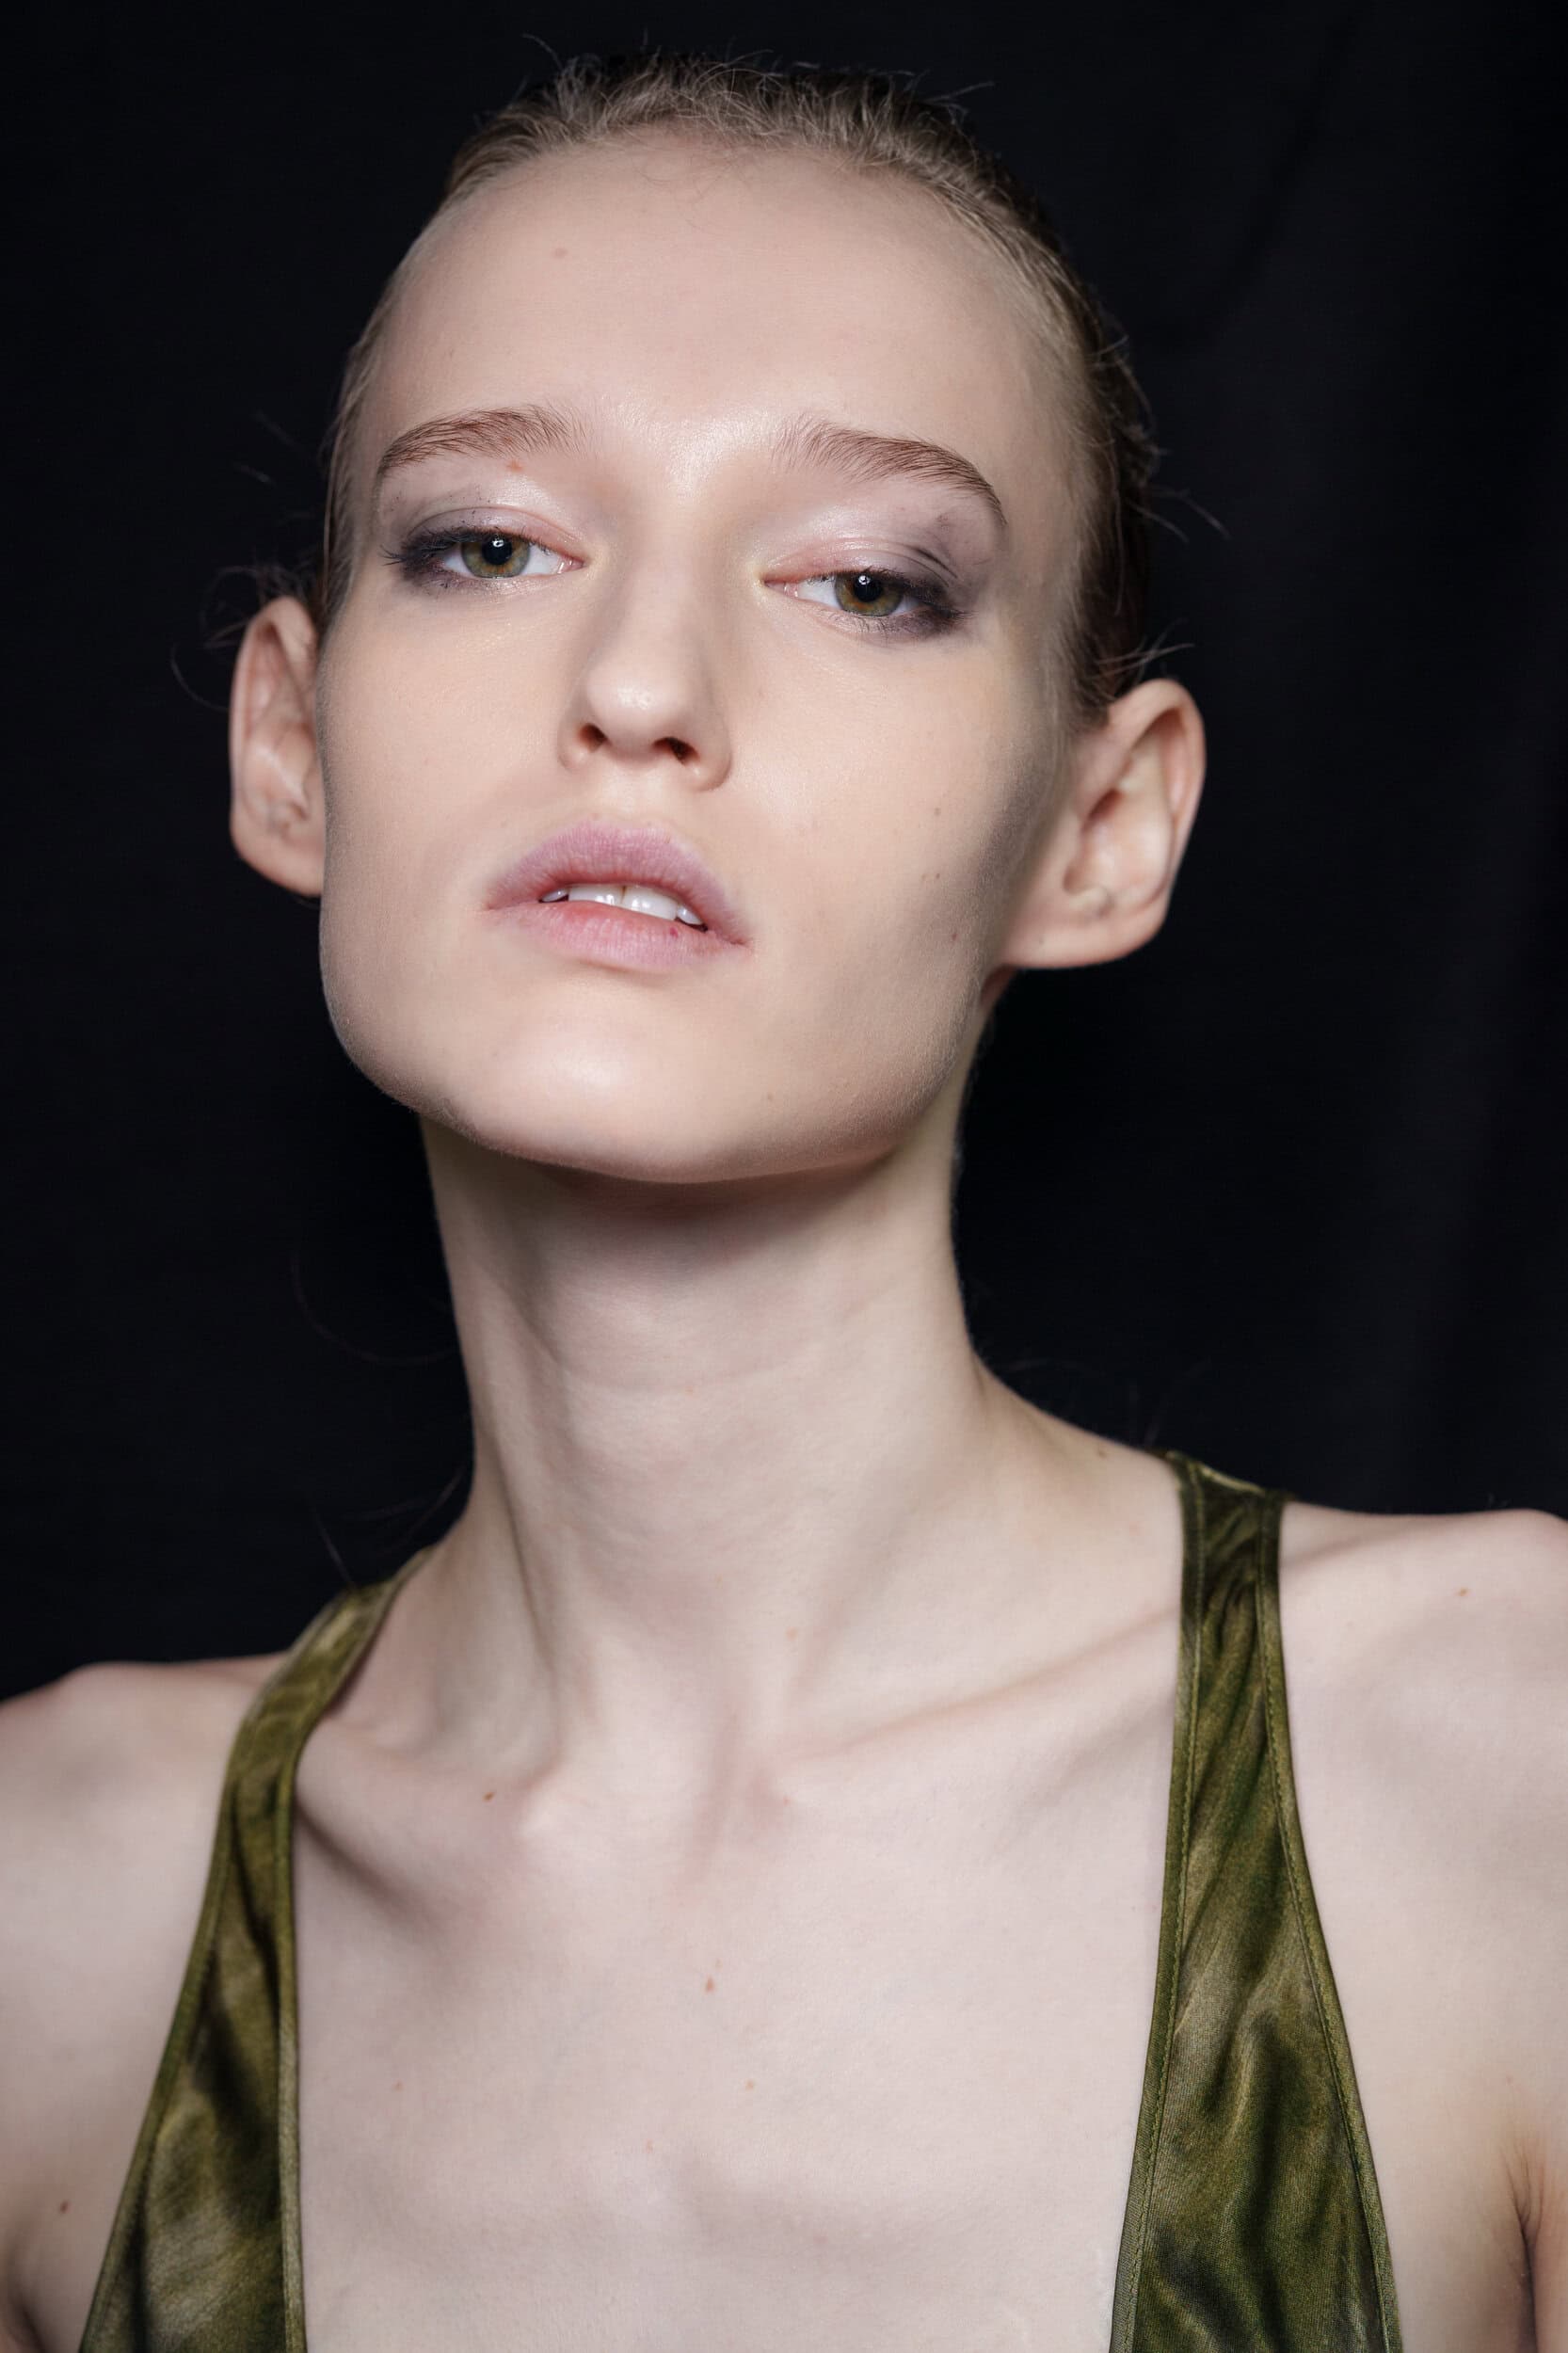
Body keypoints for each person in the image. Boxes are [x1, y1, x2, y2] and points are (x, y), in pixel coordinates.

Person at [2, 50, 1564, 2353]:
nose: (638, 685)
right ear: (290, 745)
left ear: (1099, 827)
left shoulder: (1501, 1765)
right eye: (485, 543)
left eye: (864, 581)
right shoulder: (55, 1913)